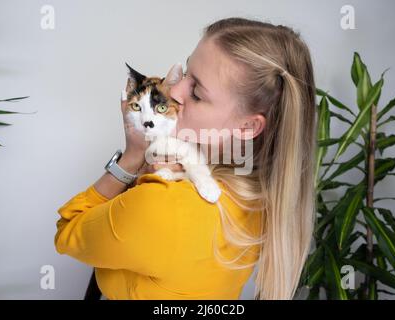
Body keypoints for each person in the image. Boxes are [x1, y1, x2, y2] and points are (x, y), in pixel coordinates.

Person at [55, 17, 317, 300]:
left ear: (248, 127)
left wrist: (131, 158)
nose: (174, 91)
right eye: (186, 73)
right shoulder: (262, 198)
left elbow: (67, 230)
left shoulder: (162, 203)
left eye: (196, 93)